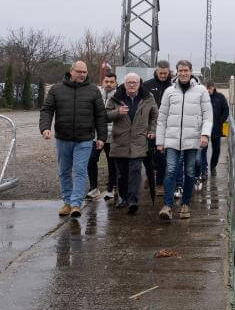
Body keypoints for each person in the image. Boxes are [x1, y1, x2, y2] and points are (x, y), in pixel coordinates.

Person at [39, 61, 107, 218]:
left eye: (84, 72)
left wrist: (101, 137)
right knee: (64, 171)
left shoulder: (93, 91)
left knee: (80, 170)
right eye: (79, 71)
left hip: (84, 139)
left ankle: (76, 204)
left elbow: (100, 116)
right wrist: (45, 128)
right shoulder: (56, 89)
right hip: (63, 138)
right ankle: (67, 202)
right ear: (71, 72)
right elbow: (47, 110)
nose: (82, 74)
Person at [156, 60, 211, 221]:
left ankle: (185, 204)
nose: (183, 73)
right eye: (180, 70)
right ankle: (167, 205)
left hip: (192, 139)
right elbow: (162, 118)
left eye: (186, 70)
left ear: (191, 71)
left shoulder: (201, 91)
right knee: (171, 171)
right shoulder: (169, 92)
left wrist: (205, 134)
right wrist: (160, 140)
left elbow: (208, 116)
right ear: (176, 72)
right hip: (172, 140)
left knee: (189, 172)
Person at [106, 73, 158, 215]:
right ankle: (123, 198)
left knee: (135, 171)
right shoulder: (116, 98)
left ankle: (133, 200)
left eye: (135, 82)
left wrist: (152, 130)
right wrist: (118, 112)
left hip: (138, 141)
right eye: (129, 82)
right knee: (122, 174)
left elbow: (154, 116)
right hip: (120, 141)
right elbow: (105, 116)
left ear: (139, 83)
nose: (132, 85)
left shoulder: (148, 98)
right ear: (124, 83)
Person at [86, 71, 118, 201]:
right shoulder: (96, 93)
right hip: (97, 135)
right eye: (106, 81)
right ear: (102, 82)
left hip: (112, 136)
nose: (109, 84)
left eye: (111, 82)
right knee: (91, 160)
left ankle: (111, 188)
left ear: (116, 83)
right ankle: (94, 188)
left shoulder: (120, 95)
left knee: (112, 164)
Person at [142, 60, 172, 196]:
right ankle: (150, 174)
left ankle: (159, 183)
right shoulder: (147, 85)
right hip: (150, 126)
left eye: (166, 73)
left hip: (167, 126)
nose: (163, 76)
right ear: (156, 71)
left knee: (162, 156)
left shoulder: (172, 86)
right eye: (161, 73)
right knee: (148, 154)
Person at [198, 81, 229, 178]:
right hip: (204, 129)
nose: (207, 91)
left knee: (217, 150)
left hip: (216, 128)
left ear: (213, 88)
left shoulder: (220, 97)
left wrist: (220, 121)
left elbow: (226, 110)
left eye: (209, 89)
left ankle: (213, 166)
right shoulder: (201, 97)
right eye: (206, 89)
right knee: (203, 149)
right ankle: (204, 169)